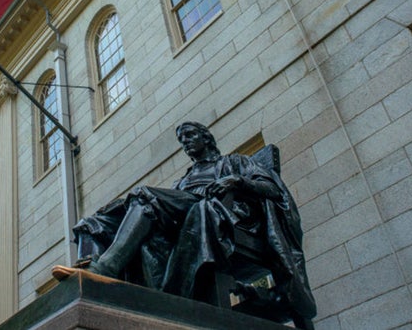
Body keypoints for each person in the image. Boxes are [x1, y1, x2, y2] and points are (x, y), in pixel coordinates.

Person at [55, 121, 316, 327]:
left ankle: (106, 268)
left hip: (224, 216)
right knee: (93, 221)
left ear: (206, 138)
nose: (186, 144)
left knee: (144, 196)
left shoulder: (234, 162)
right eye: (182, 140)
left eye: (190, 136)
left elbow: (271, 187)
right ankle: (87, 281)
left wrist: (235, 181)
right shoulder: (184, 180)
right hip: (185, 218)